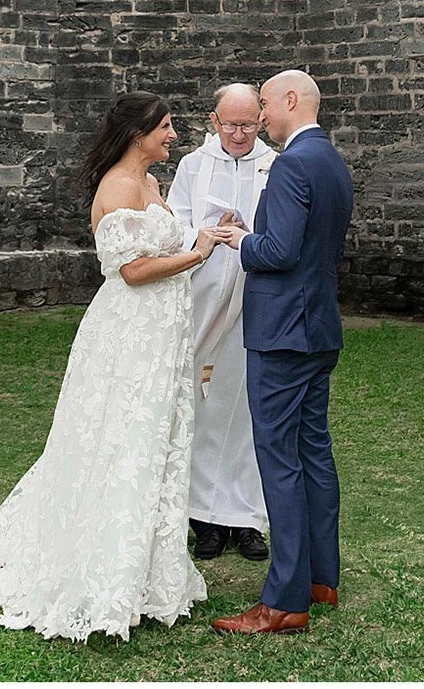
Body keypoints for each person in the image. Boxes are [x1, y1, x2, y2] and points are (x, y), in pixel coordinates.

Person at [0, 92, 220, 641]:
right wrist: (198, 252)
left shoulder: (149, 184)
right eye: (166, 127)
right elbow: (133, 271)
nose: (174, 135)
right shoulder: (119, 188)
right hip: (131, 336)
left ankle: (148, 574)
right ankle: (102, 575)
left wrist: (198, 241)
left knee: (155, 440)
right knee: (122, 438)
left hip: (160, 333)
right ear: (137, 133)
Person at [204, 69, 354, 636]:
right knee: (313, 450)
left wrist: (240, 239)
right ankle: (321, 577)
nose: (261, 115)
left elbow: (281, 252)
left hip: (281, 334)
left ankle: (286, 599)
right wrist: (259, 230)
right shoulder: (330, 160)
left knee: (280, 460)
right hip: (317, 329)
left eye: (265, 103)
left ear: (292, 100)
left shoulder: (292, 162)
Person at [166, 83, 274, 562]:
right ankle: (204, 519)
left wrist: (248, 234)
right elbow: (174, 226)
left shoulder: (275, 165)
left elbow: (282, 230)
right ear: (213, 121)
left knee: (249, 411)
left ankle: (247, 518)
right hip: (203, 300)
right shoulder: (193, 165)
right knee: (202, 408)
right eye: (229, 124)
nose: (237, 133)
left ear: (261, 121)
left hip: (255, 303)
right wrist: (205, 232)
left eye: (247, 124)